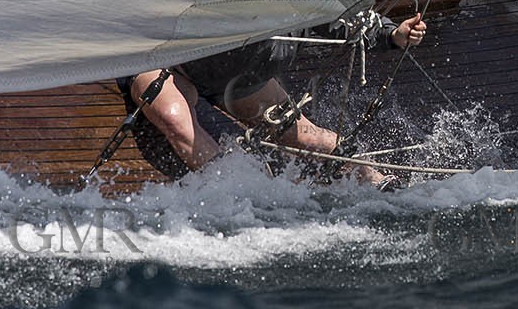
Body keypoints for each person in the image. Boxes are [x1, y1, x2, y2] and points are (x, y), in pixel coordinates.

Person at [127, 10, 427, 186]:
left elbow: (348, 16)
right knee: (176, 122)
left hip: (238, 81)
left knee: (310, 139)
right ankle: (238, 195)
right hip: (167, 60)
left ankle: (378, 183)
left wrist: (394, 34)